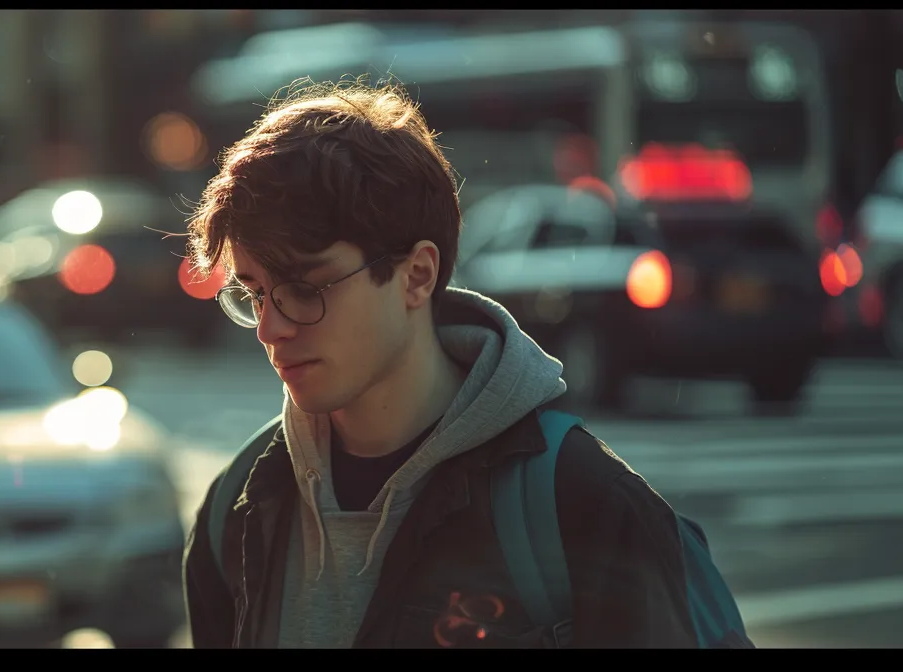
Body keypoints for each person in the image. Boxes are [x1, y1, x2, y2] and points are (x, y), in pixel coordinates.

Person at [180, 79, 696, 648]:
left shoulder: (584, 506)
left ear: (417, 275)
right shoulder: (239, 506)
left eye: (305, 288)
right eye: (254, 293)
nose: (270, 327)